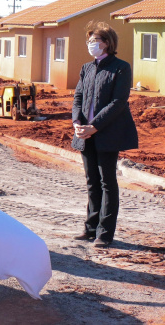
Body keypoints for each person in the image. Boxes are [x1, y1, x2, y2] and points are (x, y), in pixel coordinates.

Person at [71, 21, 138, 248]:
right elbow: (78, 97)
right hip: (85, 133)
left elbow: (118, 102)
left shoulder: (120, 67)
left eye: (95, 41)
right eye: (89, 41)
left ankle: (105, 233)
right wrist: (77, 122)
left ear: (107, 43)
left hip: (107, 133)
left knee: (107, 181)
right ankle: (90, 228)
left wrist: (95, 126)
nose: (91, 44)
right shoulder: (87, 68)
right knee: (91, 181)